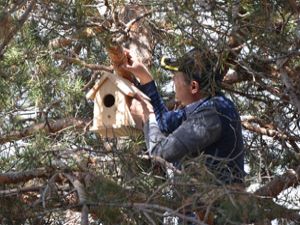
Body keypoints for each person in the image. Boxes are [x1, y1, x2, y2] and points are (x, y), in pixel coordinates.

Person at [122, 48, 245, 185]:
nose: (173, 79)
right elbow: (163, 122)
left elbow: (160, 153)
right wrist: (146, 79)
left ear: (193, 87)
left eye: (176, 75)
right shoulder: (204, 107)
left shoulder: (212, 114)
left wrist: (147, 117)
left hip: (214, 204)